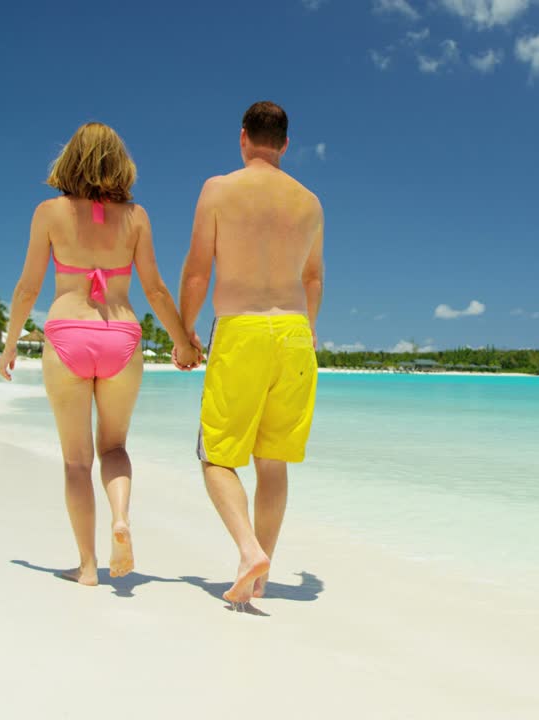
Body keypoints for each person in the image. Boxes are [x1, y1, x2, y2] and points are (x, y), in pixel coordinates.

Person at [0, 122, 200, 586]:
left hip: (67, 332)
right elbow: (154, 288)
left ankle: (88, 567)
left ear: (69, 158)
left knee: (76, 462)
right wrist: (184, 342)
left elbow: (29, 286)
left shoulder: (48, 213)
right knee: (114, 447)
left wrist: (10, 343)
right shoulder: (137, 217)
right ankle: (121, 517)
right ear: (119, 162)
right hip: (121, 335)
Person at [178, 101, 324, 605]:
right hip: (294, 331)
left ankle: (247, 550)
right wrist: (308, 331)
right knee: (274, 462)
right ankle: (261, 577)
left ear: (243, 138)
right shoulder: (310, 203)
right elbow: (313, 279)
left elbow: (198, 270)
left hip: (240, 329)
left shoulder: (218, 190)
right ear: (285, 143)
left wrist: (184, 332)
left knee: (216, 456)